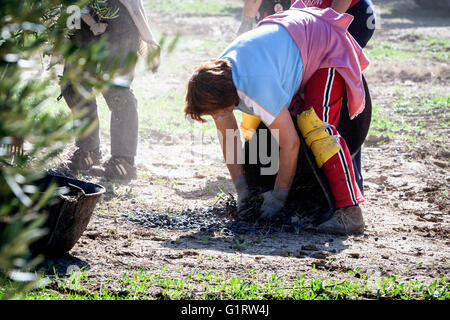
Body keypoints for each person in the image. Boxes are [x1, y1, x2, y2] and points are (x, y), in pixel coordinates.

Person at [184, 1, 369, 235]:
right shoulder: (219, 76)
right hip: (295, 38)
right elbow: (228, 134)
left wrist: (278, 199)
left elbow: (290, 144)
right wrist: (243, 192)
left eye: (216, 112)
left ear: (228, 97)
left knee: (316, 127)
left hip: (324, 43)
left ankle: (350, 212)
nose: (216, 117)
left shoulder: (256, 86)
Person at [237, 0, 376, 192]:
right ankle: (305, 176)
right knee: (303, 96)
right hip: (313, 18)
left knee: (324, 107)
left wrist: (325, 29)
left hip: (346, 15)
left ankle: (346, 187)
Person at [62, 0, 159, 181]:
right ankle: (88, 151)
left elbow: (134, 4)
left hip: (116, 16)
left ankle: (123, 162)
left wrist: (148, 38)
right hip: (77, 12)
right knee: (73, 86)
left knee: (117, 91)